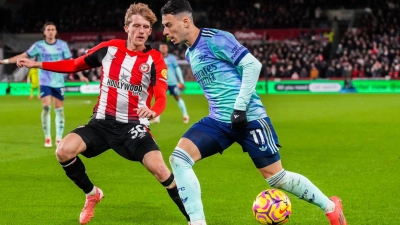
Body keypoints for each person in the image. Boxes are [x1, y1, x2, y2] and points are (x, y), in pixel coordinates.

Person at [160, 0, 348, 225]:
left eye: (168, 25)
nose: (165, 32)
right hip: (219, 120)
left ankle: (330, 207)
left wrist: (239, 108)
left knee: (276, 178)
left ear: (185, 21)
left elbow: (252, 65)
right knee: (179, 159)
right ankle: (197, 222)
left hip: (249, 118)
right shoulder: (191, 53)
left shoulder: (215, 39)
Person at [17, 3, 189, 225]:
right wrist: (38, 64)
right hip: (101, 122)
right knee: (64, 151)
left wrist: (154, 110)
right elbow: (74, 65)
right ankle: (92, 194)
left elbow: (162, 95)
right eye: (136, 26)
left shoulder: (154, 59)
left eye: (146, 27)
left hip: (132, 126)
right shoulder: (109, 49)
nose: (141, 31)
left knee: (160, 169)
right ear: (126, 27)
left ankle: (192, 218)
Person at [0, 22, 88, 147]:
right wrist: (4, 61)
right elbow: (24, 56)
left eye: (53, 29)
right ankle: (47, 137)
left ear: (56, 32)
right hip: (45, 81)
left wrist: (81, 76)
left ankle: (58, 137)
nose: (51, 31)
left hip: (59, 81)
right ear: (44, 32)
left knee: (59, 110)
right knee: (46, 107)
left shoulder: (62, 45)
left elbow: (71, 62)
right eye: (48, 29)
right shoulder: (38, 45)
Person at [152, 43, 189, 123]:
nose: (163, 49)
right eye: (161, 47)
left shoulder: (172, 58)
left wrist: (181, 81)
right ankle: (157, 118)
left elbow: (177, 69)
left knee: (177, 97)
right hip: (161, 82)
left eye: (164, 47)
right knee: (159, 99)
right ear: (159, 48)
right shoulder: (157, 57)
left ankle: (185, 115)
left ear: (167, 49)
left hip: (172, 82)